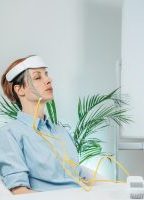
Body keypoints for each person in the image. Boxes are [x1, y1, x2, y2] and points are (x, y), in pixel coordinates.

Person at [0, 55, 92, 194]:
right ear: (20, 90)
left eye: (46, 74)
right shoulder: (9, 133)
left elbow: (80, 176)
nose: (48, 80)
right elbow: (20, 191)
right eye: (38, 77)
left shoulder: (61, 132)